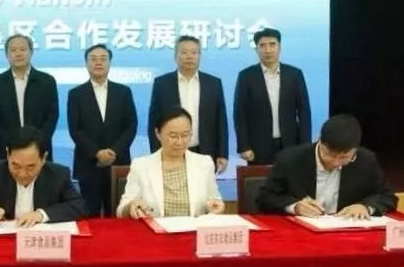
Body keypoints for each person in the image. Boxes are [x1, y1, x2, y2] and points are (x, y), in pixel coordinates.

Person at [256, 114, 398, 218]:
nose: (335, 162)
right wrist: (295, 206)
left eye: (344, 157)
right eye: (330, 155)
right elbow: (265, 198)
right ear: (319, 141)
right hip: (301, 233)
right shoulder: (290, 159)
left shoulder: (366, 160)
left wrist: (365, 207)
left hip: (346, 233)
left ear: (355, 150)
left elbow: (387, 196)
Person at [0, 126, 87, 226]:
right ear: (8, 155)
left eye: (30, 167)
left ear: (43, 158)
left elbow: (79, 206)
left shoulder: (58, 175)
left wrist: (41, 215)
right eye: (16, 166)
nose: (22, 174)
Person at [67, 44, 137, 216]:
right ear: (86, 63)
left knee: (117, 212)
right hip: (88, 163)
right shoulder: (75, 94)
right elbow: (75, 129)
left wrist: (114, 151)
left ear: (110, 63)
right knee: (89, 214)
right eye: (93, 59)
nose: (98, 63)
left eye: (103, 59)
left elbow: (130, 126)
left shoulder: (123, 92)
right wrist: (96, 153)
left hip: (118, 162)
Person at [118, 106, 224, 218]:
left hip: (193, 227)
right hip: (156, 228)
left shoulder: (204, 163)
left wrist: (216, 207)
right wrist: (131, 206)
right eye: (173, 136)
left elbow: (215, 201)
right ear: (158, 134)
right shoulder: (141, 166)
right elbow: (121, 210)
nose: (180, 142)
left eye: (185, 135)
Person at [148, 35, 228, 173]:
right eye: (184, 52)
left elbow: (221, 121)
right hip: (171, 150)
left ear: (199, 56)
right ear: (175, 56)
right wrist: (156, 153)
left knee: (203, 187)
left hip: (204, 151)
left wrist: (222, 153)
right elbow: (154, 122)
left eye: (194, 52)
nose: (189, 56)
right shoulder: (162, 84)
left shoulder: (213, 83)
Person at [234, 28, 311, 166]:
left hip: (291, 145)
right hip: (258, 147)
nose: (268, 50)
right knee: (260, 180)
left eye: (272, 44)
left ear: (279, 47)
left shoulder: (294, 74)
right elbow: (240, 114)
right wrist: (244, 146)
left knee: (291, 179)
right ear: (256, 49)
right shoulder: (246, 76)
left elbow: (304, 112)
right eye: (262, 45)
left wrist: (305, 146)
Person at [0, 34, 59, 161]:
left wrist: (39, 141)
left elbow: (52, 116)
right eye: (13, 50)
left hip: (39, 149)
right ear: (6, 54)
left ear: (31, 52)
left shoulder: (47, 81)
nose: (18, 53)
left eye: (22, 49)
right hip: (8, 151)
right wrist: (9, 142)